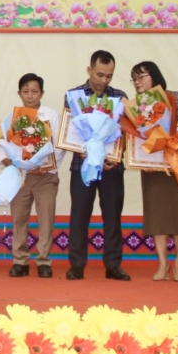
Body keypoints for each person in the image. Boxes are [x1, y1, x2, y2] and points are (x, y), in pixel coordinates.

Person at [129, 61, 178, 282]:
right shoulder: (136, 107)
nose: (137, 82)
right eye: (134, 79)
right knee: (156, 214)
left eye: (141, 76)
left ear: (155, 76)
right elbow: (134, 137)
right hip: (153, 167)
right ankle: (162, 262)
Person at [65, 50, 130, 281]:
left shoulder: (120, 97)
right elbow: (70, 131)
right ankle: (76, 264)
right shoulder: (74, 96)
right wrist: (83, 151)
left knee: (112, 217)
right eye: (100, 74)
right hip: (82, 165)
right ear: (89, 70)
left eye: (109, 76)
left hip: (112, 167)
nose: (104, 80)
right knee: (79, 215)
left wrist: (115, 156)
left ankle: (113, 265)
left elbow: (125, 132)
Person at [0, 72, 63, 279]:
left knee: (46, 219)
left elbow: (59, 145)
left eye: (34, 91)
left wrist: (48, 166)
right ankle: (20, 260)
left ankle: (44, 260)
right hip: (21, 175)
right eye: (26, 91)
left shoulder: (51, 116)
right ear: (19, 93)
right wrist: (6, 161)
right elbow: (1, 144)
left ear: (42, 93)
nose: (30, 95)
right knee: (19, 218)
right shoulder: (12, 117)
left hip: (45, 177)